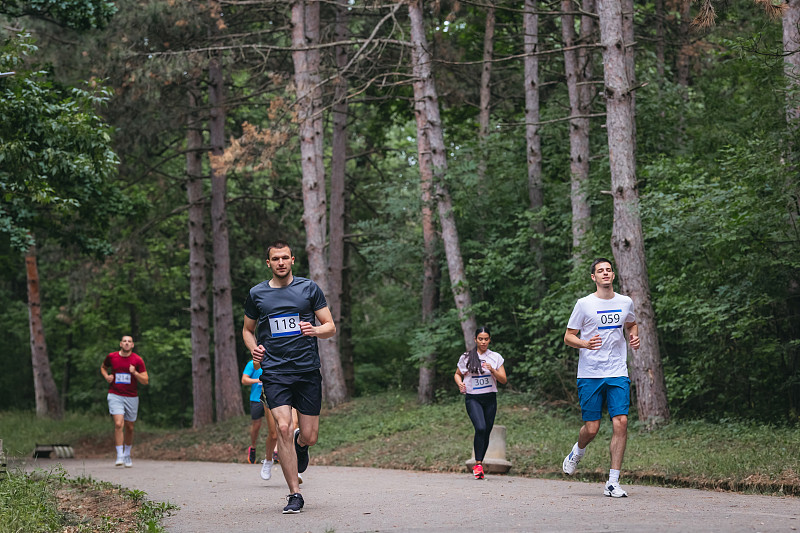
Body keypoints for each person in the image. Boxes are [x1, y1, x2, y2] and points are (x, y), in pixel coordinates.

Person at [242, 240, 335, 514]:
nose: (280, 262)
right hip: (274, 371)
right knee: (282, 427)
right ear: (268, 263)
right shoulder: (257, 294)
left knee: (309, 435)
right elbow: (247, 330)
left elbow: (330, 326)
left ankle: (301, 445)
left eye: (285, 257)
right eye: (275, 258)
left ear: (293, 260)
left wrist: (314, 330)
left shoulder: (308, 289)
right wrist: (254, 348)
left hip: (306, 371)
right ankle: (294, 494)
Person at [561, 258, 639, 498]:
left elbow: (632, 324)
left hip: (617, 371)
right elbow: (568, 336)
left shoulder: (625, 302)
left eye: (608, 270)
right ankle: (578, 450)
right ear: (593, 277)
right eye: (600, 271)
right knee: (592, 429)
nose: (605, 273)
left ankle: (612, 482)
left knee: (621, 422)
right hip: (590, 373)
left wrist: (634, 337)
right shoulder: (584, 304)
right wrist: (584, 343)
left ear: (613, 275)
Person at [454, 326, 507, 480]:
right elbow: (457, 374)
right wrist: (460, 384)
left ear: (489, 340)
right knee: (480, 427)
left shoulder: (495, 357)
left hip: (490, 398)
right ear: (475, 340)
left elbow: (503, 380)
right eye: (480, 339)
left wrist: (493, 370)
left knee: (486, 431)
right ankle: (478, 464)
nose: (483, 342)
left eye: (486, 339)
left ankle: (479, 463)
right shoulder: (467, 357)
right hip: (473, 398)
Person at [100, 335, 149, 468]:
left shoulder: (137, 360)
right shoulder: (112, 357)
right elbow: (103, 367)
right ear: (120, 344)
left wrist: (135, 373)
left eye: (129, 342)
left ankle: (127, 454)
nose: (127, 343)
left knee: (130, 427)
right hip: (115, 395)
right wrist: (107, 376)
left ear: (132, 345)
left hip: (131, 397)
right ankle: (119, 455)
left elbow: (145, 380)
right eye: (125, 341)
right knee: (118, 423)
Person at [242, 359, 277, 480]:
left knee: (275, 426)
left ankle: (275, 450)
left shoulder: (275, 361)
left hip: (271, 398)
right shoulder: (252, 364)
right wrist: (259, 380)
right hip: (256, 399)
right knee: (256, 426)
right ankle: (253, 446)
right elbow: (244, 380)